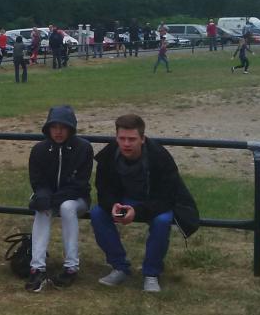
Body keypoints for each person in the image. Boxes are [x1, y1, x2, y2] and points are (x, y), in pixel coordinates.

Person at [91, 113, 199, 292]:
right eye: (122, 138)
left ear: (142, 138)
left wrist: (137, 211)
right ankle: (119, 267)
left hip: (155, 202)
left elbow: (167, 197)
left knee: (162, 221)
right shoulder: (108, 155)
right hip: (123, 201)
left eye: (132, 139)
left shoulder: (160, 156)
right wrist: (112, 205)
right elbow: (103, 189)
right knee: (97, 213)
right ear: (116, 137)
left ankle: (151, 273)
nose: (126, 144)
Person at [25, 106, 93, 292]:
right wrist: (43, 197)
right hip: (50, 196)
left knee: (67, 207)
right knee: (43, 209)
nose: (58, 132)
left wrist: (53, 199)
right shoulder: (39, 150)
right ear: (48, 129)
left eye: (63, 127)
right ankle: (37, 267)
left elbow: (80, 183)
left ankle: (71, 266)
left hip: (77, 198)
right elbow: (37, 181)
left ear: (71, 128)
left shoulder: (84, 148)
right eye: (54, 127)